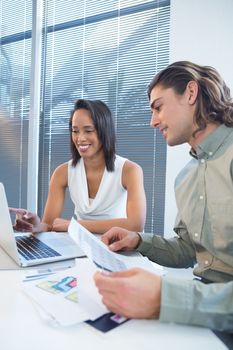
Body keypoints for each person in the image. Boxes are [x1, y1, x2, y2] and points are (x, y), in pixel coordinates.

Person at [94, 61, 233, 332]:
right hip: (200, 310)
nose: (152, 121)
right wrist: (138, 241)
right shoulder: (186, 177)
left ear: (190, 93)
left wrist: (165, 298)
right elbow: (189, 250)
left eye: (158, 107)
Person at [11, 99, 146, 234]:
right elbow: (49, 225)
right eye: (75, 131)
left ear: (105, 131)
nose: (80, 138)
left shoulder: (130, 170)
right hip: (81, 246)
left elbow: (135, 225)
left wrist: (73, 225)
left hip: (118, 247)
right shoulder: (62, 172)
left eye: (88, 130)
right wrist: (36, 225)